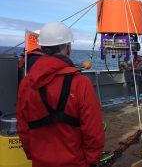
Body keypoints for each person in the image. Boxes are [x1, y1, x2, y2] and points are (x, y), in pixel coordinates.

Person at [16, 22, 105, 167]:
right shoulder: (81, 83)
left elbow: (23, 128)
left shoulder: (26, 84)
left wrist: (34, 155)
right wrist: (92, 160)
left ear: (41, 48)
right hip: (76, 162)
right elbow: (93, 130)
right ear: (68, 49)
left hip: (40, 161)